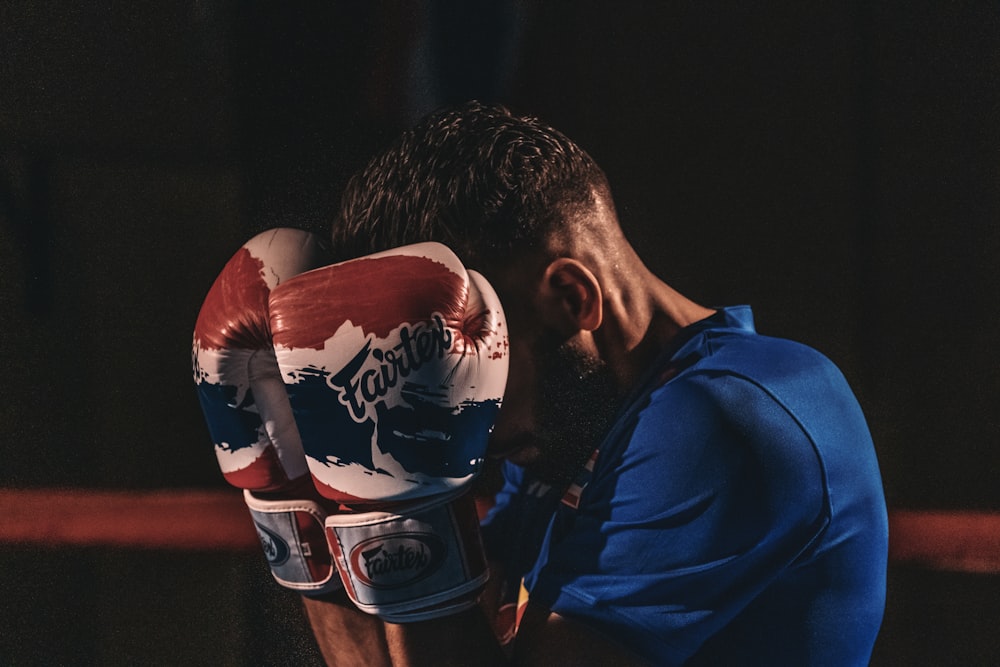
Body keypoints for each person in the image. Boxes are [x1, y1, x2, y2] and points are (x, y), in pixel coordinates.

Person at [300, 101, 888, 665]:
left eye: (453, 364)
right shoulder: (571, 432)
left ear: (571, 298)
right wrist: (290, 494)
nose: (460, 413)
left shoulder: (725, 413)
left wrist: (404, 498)